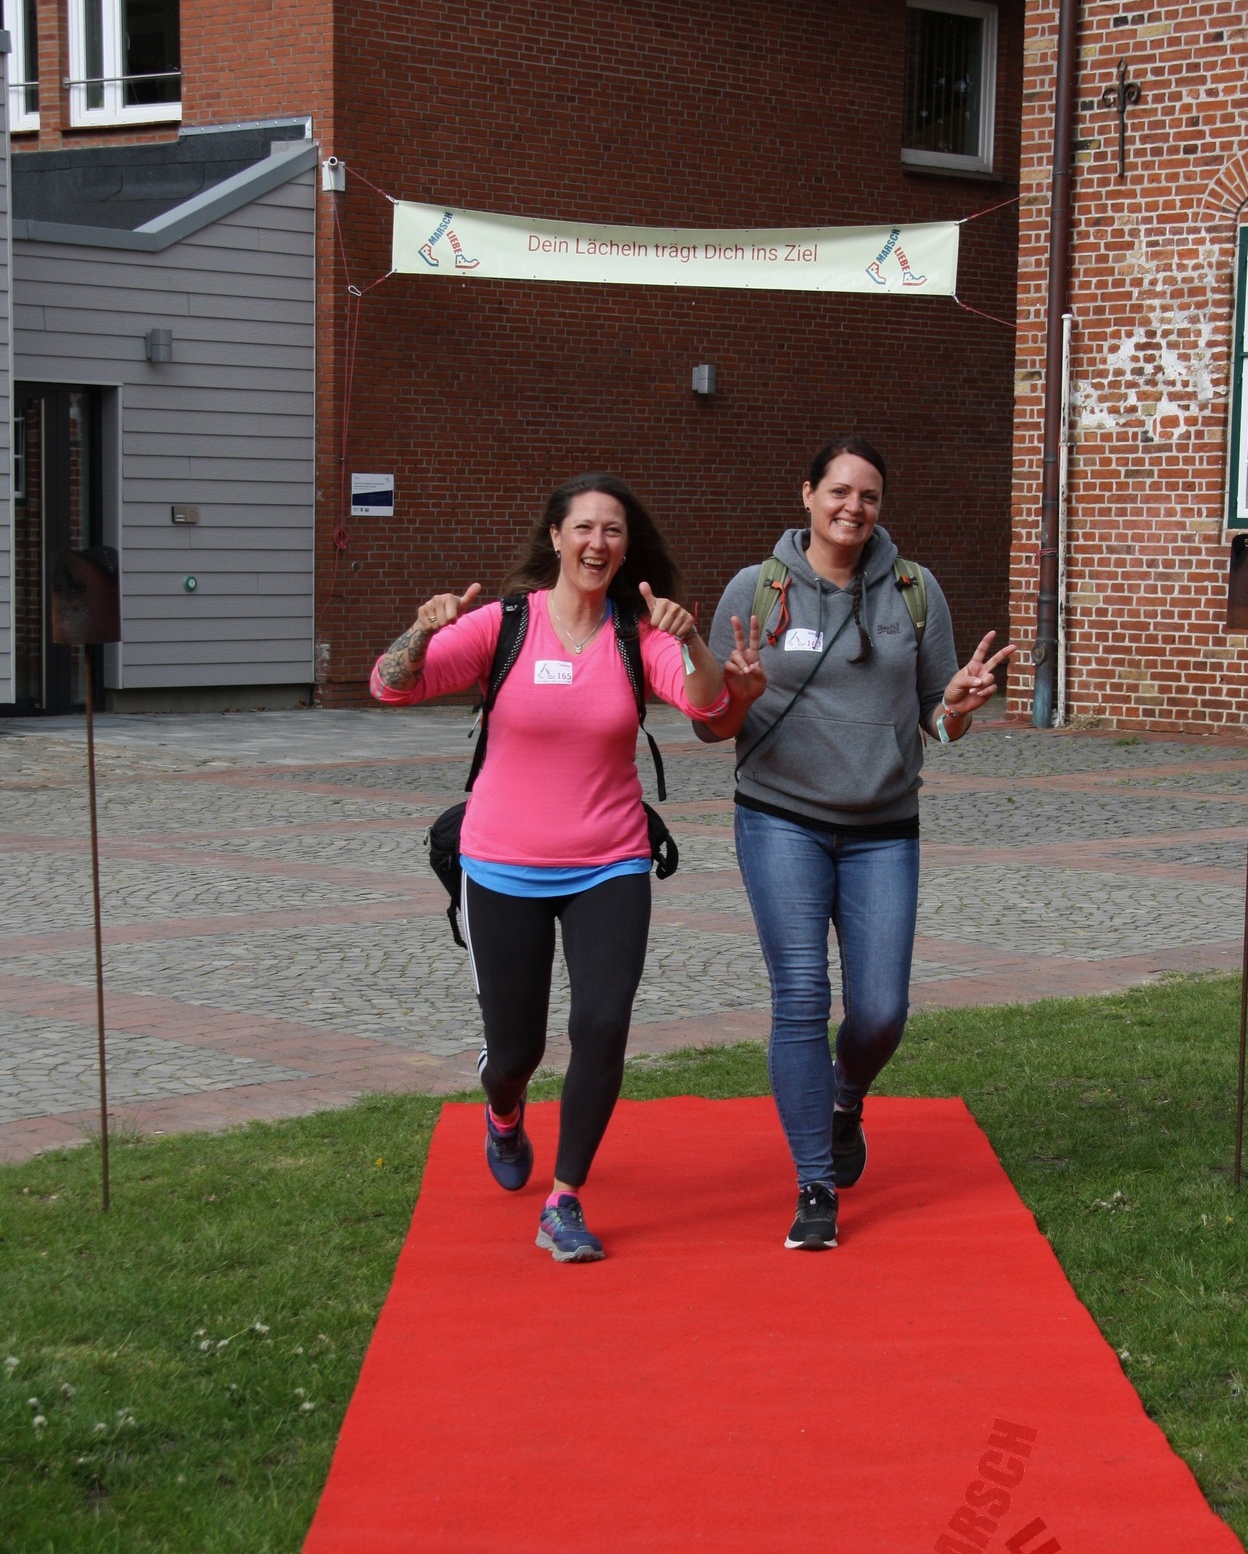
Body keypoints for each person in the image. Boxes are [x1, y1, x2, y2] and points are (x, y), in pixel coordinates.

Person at [371, 473, 766, 1262]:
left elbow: (707, 707)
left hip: (609, 863)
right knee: (516, 1053)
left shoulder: (638, 636)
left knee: (602, 1028)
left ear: (625, 547)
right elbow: (391, 684)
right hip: (501, 866)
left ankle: (565, 1199)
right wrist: (422, 629)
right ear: (555, 537)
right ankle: (504, 1108)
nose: (597, 542)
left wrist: (696, 644)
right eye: (583, 527)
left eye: (612, 530)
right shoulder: (503, 625)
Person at [705, 437, 1013, 1253]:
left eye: (869, 495)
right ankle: (814, 1184)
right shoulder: (757, 589)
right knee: (801, 996)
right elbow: (713, 723)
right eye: (839, 491)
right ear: (807, 494)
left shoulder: (915, 591)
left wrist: (958, 708)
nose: (854, 507)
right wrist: (734, 696)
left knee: (880, 1011)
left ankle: (845, 1098)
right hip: (780, 818)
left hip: (884, 829)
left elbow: (938, 720)